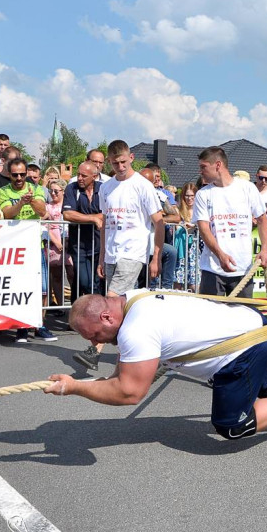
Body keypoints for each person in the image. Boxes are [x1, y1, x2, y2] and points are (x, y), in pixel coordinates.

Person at [46, 292, 267, 438]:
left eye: (96, 335)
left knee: (233, 426)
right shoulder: (134, 297)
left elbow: (129, 393)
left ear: (106, 318)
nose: (98, 342)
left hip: (238, 352)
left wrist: (75, 388)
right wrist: (82, 385)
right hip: (251, 327)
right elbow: (121, 375)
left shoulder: (135, 329)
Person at [81, 140, 164, 370]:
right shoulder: (106, 188)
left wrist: (155, 256)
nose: (120, 166)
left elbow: (159, 222)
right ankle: (148, 354)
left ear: (131, 158)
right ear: (109, 162)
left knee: (110, 301)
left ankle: (93, 351)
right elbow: (105, 223)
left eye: (123, 162)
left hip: (133, 252)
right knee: (125, 310)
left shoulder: (142, 185)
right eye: (115, 163)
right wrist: (101, 256)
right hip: (111, 253)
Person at [194, 146, 267, 298]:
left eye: (203, 167)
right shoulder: (203, 194)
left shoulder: (247, 188)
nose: (200, 171)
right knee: (211, 316)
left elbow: (262, 220)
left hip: (243, 267)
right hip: (213, 269)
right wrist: (220, 254)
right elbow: (204, 229)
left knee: (244, 316)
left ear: (218, 165)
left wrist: (265, 249)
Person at [0, 157, 57, 343]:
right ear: (10, 174)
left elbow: (42, 211)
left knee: (43, 289)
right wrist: (20, 203)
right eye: (15, 175)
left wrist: (31, 200)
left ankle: (40, 324)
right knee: (19, 288)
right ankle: (22, 326)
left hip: (34, 245)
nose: (19, 178)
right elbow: (7, 213)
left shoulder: (37, 189)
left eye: (23, 174)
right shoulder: (3, 191)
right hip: (14, 247)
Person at [63, 161, 106, 363]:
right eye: (78, 175)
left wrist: (100, 217)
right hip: (79, 245)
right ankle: (82, 316)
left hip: (99, 246)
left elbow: (107, 214)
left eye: (84, 176)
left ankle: (94, 322)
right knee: (83, 281)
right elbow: (67, 213)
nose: (79, 178)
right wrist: (93, 219)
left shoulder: (103, 189)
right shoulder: (71, 189)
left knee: (96, 284)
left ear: (94, 177)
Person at [142, 163, 180, 291]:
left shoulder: (161, 196)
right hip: (137, 242)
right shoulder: (132, 193)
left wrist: (158, 219)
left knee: (171, 252)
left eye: (157, 177)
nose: (156, 180)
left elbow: (176, 217)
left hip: (153, 240)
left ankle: (166, 289)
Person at [45, 179, 70, 307]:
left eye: (56, 191)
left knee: (72, 274)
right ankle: (60, 305)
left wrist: (66, 242)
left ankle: (75, 304)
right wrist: (56, 243)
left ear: (63, 191)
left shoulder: (68, 204)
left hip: (69, 242)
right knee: (56, 275)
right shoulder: (47, 207)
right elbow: (45, 227)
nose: (53, 193)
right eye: (51, 191)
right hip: (53, 244)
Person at [174, 182, 200, 292]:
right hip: (181, 250)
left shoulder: (200, 210)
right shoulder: (178, 210)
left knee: (194, 284)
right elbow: (175, 227)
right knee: (178, 282)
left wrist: (195, 226)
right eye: (187, 195)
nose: (189, 198)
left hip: (195, 250)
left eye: (192, 196)